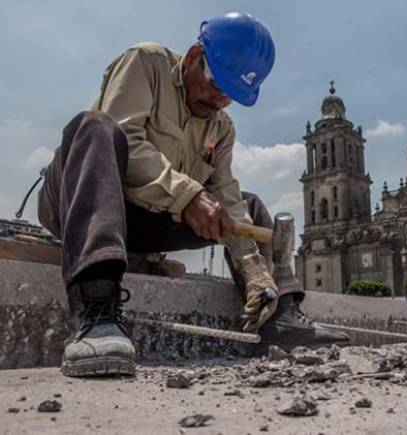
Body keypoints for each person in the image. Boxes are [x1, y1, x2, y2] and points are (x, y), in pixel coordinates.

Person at [37, 12, 347, 378]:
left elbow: (225, 193)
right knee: (95, 127)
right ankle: (96, 314)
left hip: (142, 221)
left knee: (246, 206)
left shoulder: (221, 128)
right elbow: (128, 141)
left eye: (230, 95)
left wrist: (252, 265)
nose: (218, 100)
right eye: (216, 84)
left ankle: (280, 316)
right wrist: (187, 195)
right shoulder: (145, 63)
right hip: (85, 204)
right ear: (192, 56)